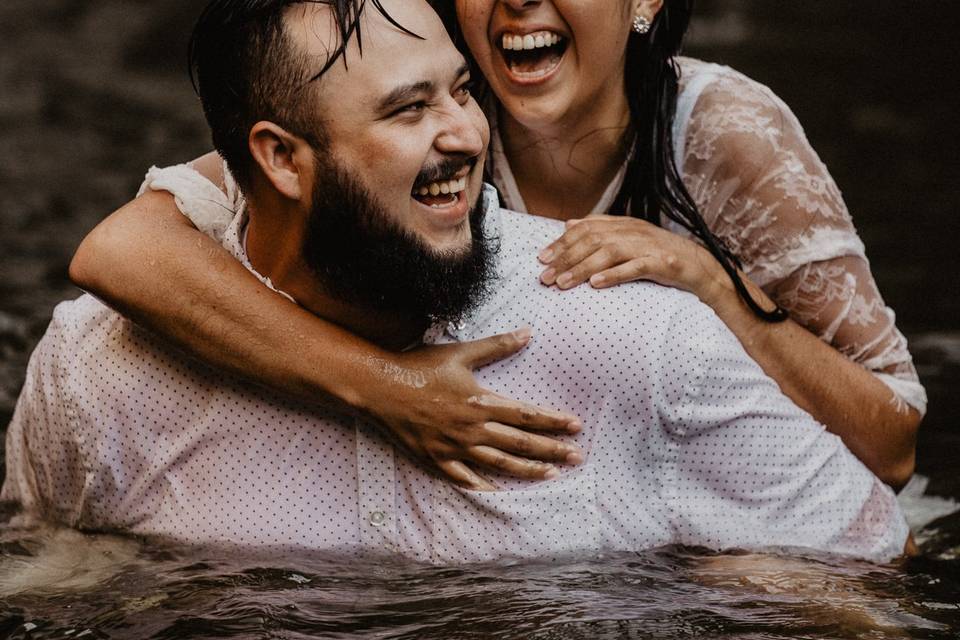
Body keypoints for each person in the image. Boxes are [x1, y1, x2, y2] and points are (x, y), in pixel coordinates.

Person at [3, 0, 911, 563]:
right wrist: (389, 390)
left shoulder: (722, 139)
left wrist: (715, 289)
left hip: (763, 448)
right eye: (418, 104)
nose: (463, 130)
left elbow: (894, 449)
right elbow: (121, 252)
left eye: (456, 95)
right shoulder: (400, 65)